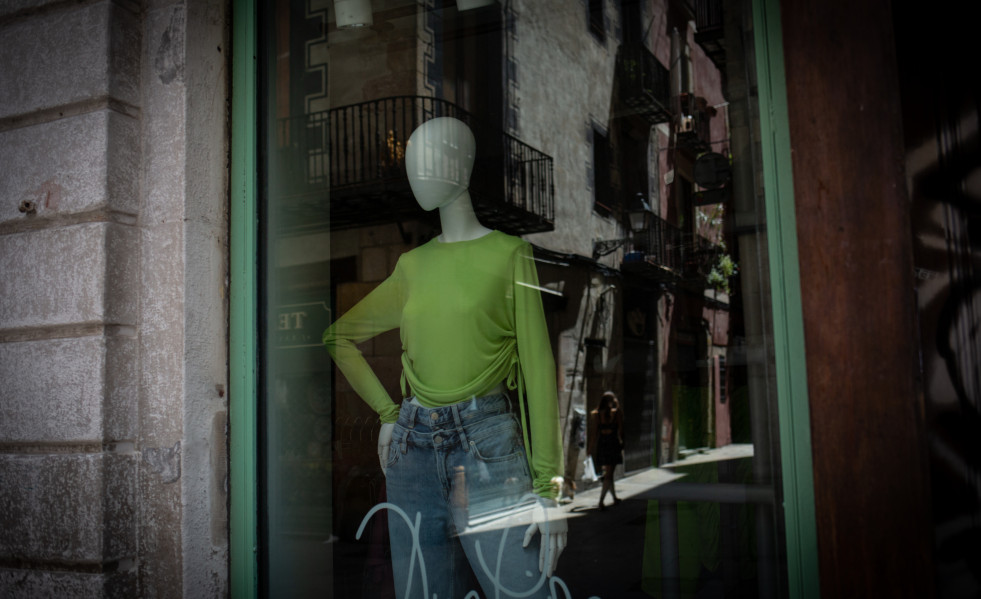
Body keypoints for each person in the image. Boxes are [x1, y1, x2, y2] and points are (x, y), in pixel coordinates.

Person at [323, 117, 567, 599]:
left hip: (488, 445)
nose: (414, 172)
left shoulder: (509, 253)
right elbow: (338, 337)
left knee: (522, 590)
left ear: (461, 166)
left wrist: (549, 488)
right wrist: (389, 414)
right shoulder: (411, 266)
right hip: (412, 448)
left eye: (426, 160)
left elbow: (540, 373)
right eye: (410, 161)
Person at [589, 391, 624, 510]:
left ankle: (614, 498)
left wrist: (589, 449)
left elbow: (594, 434)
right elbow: (620, 430)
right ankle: (601, 501)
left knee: (609, 474)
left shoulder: (597, 414)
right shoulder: (617, 413)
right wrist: (622, 443)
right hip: (613, 443)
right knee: (609, 474)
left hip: (603, 444)